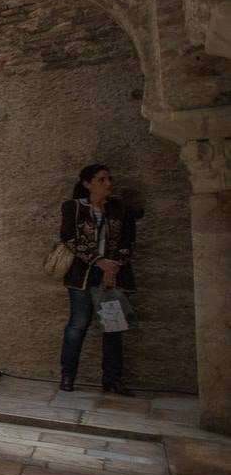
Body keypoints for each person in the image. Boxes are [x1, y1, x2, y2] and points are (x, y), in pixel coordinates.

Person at [58, 164, 135, 395]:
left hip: (111, 276)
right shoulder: (74, 207)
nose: (107, 183)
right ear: (87, 184)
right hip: (83, 275)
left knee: (113, 328)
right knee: (77, 325)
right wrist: (98, 261)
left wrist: (113, 267)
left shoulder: (120, 208)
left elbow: (128, 240)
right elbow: (69, 238)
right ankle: (68, 375)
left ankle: (112, 378)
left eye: (109, 179)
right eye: (101, 179)